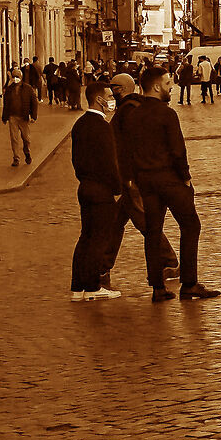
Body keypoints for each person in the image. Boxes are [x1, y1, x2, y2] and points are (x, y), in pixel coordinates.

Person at [115, 65, 220, 300]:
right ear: (156, 87)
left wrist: (132, 178)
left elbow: (125, 151)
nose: (171, 87)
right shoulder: (166, 114)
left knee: (153, 231)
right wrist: (186, 177)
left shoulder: (133, 115)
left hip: (146, 181)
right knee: (190, 225)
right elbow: (177, 150)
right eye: (167, 83)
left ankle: (157, 288)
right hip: (170, 179)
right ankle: (189, 283)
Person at [69, 78, 128, 301]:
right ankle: (93, 287)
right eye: (110, 97)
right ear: (99, 99)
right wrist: (117, 188)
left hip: (85, 187)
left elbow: (76, 159)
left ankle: (77, 288)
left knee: (85, 238)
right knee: (99, 240)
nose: (113, 100)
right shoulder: (102, 126)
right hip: (102, 190)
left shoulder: (79, 124)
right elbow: (109, 162)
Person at [1, 70, 39, 167]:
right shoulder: (9, 89)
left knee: (26, 138)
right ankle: (16, 158)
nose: (15, 79)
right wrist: (4, 117)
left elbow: (34, 103)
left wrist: (33, 116)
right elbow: (6, 104)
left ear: (21, 77)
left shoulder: (28, 88)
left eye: (17, 77)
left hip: (24, 117)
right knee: (14, 138)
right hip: (12, 116)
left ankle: (27, 152)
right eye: (14, 77)